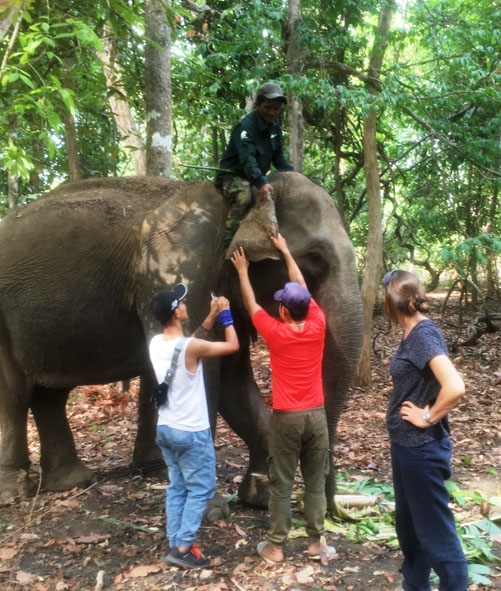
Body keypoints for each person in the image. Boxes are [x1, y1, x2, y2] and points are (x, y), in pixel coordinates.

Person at [230, 234, 335, 566]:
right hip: (316, 416)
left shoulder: (275, 332)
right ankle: (317, 544)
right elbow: (299, 283)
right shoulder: (318, 323)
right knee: (315, 482)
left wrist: (243, 270)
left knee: (282, 483)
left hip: (286, 417)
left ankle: (275, 547)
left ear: (284, 311)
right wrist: (287, 251)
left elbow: (251, 305)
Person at [382, 270, 468, 591]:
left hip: (421, 449)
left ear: (390, 303)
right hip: (406, 448)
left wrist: (427, 416)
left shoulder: (421, 335)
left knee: (436, 535)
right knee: (410, 530)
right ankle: (415, 586)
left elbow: (455, 387)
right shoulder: (411, 333)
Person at [149, 283, 239, 569]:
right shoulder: (190, 347)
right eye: (182, 302)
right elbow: (232, 345)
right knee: (201, 489)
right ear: (176, 313)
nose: (186, 304)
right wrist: (226, 316)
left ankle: (175, 541)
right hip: (191, 432)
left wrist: (210, 317)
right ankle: (184, 547)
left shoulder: (155, 343)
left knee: (177, 487)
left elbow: (188, 345)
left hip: (166, 429)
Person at [215, 82, 294, 245]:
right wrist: (261, 182)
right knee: (245, 196)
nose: (272, 112)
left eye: (276, 108)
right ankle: (228, 242)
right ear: (258, 104)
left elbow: (279, 158)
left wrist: (293, 175)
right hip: (234, 176)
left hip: (254, 177)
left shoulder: (274, 126)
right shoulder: (246, 127)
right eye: (267, 107)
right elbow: (247, 159)